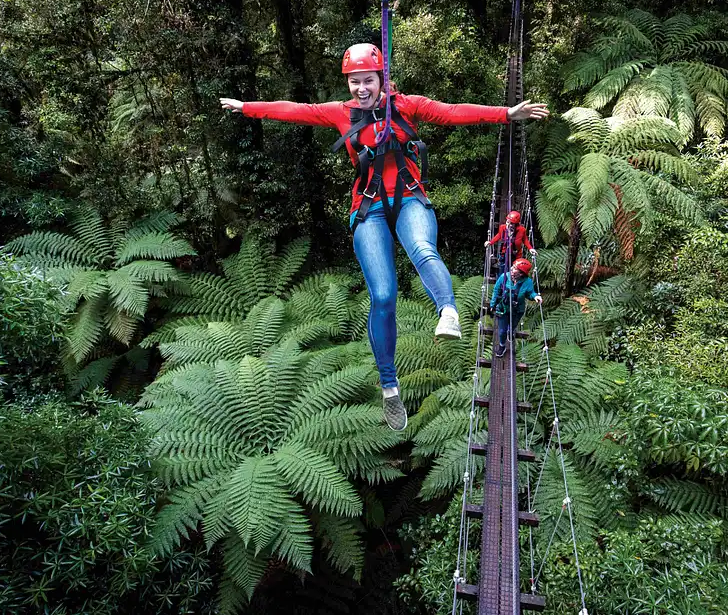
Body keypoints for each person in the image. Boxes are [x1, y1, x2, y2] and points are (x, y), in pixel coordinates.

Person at [220, 43, 549, 432]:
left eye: (368, 80)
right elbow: (296, 111)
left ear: (382, 79)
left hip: (409, 196)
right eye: (355, 81)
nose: (361, 88)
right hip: (369, 207)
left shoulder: (406, 105)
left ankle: (448, 312)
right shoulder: (341, 113)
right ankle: (389, 387)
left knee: (422, 249)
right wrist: (247, 107)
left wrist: (505, 114)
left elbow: (450, 113)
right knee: (383, 295)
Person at [489, 257, 542, 357]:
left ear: (521, 273)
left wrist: (535, 296)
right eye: (512, 267)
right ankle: (502, 345)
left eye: (514, 269)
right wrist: (492, 304)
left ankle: (511, 331)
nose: (511, 269)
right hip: (503, 308)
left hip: (517, 310)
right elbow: (496, 290)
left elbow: (530, 293)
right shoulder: (504, 277)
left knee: (512, 326)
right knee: (502, 331)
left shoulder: (527, 282)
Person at [483, 210, 535, 274]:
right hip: (504, 253)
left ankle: (511, 283)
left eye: (512, 223)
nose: (509, 225)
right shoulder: (503, 227)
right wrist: (490, 242)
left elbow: (525, 240)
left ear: (516, 224)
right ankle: (502, 283)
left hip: (516, 255)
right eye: (508, 222)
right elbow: (499, 235)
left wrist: (530, 248)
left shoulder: (522, 230)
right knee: (502, 271)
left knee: (514, 272)